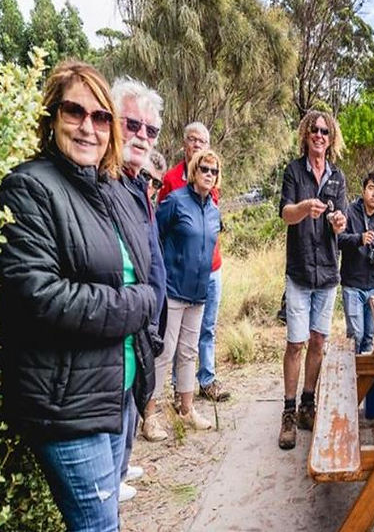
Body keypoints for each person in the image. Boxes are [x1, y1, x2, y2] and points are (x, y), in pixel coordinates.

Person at [0, 60, 158, 532]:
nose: (89, 127)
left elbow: (141, 269)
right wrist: (140, 305)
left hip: (113, 389)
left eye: (101, 116)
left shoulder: (108, 189)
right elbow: (40, 297)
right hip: (68, 405)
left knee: (109, 519)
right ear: (51, 118)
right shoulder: (28, 188)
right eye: (74, 112)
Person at [111, 77, 168, 501]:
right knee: (121, 400)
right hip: (123, 321)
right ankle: (114, 477)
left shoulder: (134, 184)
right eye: (132, 125)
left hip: (142, 322)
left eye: (150, 130)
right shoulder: (107, 184)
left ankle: (121, 465)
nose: (142, 136)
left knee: (131, 399)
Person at [278, 110, 348, 449]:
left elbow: (343, 221)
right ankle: (288, 413)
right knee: (296, 342)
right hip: (300, 271)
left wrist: (338, 222)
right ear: (306, 135)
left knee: (319, 342)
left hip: (328, 275)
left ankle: (308, 403)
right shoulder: (293, 171)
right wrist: (305, 206)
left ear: (331, 138)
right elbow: (286, 215)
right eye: (314, 130)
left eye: (325, 131)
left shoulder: (338, 177)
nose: (319, 135)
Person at [149, 149, 224, 436]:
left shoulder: (214, 210)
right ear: (194, 171)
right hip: (172, 290)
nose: (209, 174)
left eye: (214, 171)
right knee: (164, 352)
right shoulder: (175, 202)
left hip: (198, 293)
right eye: (204, 168)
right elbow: (155, 235)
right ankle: (150, 415)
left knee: (189, 352)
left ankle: (186, 409)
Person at [156, 123, 230, 403]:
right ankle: (175, 390)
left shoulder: (211, 186)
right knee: (172, 341)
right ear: (184, 143)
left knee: (206, 328)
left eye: (204, 140)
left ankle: (206, 380)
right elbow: (159, 231)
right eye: (193, 140)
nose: (198, 144)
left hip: (210, 270)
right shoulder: (172, 182)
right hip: (178, 276)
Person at [338, 172, 374, 354]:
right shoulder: (349, 213)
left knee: (369, 336)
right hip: (353, 286)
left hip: (373, 287)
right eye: (371, 188)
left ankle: (364, 381)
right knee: (356, 335)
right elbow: (338, 240)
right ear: (363, 191)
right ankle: (351, 378)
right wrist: (359, 239)